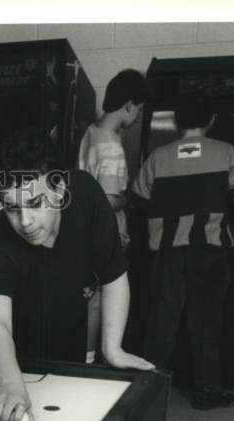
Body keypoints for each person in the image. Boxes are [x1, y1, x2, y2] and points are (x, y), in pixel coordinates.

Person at [0, 129, 154, 421]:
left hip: (66, 346)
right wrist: (11, 384)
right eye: (11, 208)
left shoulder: (86, 195)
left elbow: (114, 274)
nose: (25, 222)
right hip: (9, 356)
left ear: (58, 189)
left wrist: (112, 348)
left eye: (34, 203)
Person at [131, 90, 234, 410]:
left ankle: (146, 392)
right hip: (210, 252)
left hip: (167, 254)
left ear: (175, 121)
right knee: (207, 324)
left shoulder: (156, 158)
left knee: (161, 323)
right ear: (211, 120)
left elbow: (140, 200)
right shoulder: (228, 153)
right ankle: (208, 392)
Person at [77, 69, 149, 363]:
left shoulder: (90, 133)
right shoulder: (111, 147)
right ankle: (91, 359)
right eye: (140, 110)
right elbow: (106, 201)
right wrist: (129, 196)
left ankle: (88, 355)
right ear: (129, 104)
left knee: (90, 295)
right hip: (104, 233)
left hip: (85, 227)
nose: (139, 117)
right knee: (99, 298)